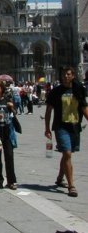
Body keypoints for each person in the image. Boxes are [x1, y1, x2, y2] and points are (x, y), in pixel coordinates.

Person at [44, 66, 88, 198]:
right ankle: (71, 186)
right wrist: (47, 128)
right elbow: (48, 111)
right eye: (64, 74)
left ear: (73, 76)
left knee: (67, 154)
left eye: (68, 74)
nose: (66, 76)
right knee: (67, 153)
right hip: (60, 126)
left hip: (75, 126)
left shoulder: (78, 89)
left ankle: (59, 177)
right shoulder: (56, 91)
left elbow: (84, 107)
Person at [0, 79, 18, 190]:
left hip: (7, 131)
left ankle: (11, 181)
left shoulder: (7, 100)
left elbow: (14, 113)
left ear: (2, 89)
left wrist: (12, 107)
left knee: (9, 156)